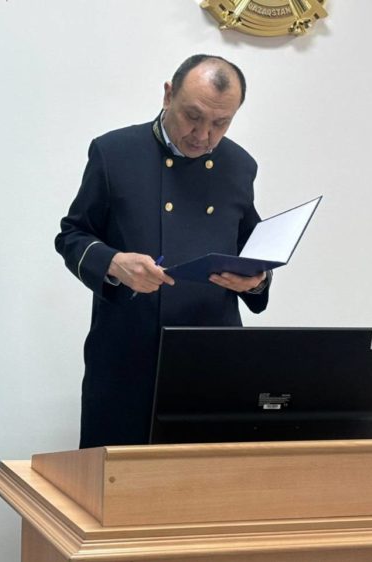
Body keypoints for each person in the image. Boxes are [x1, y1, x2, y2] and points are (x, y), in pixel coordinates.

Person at [55, 54, 271, 448]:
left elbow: (253, 252)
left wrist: (256, 280)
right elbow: (72, 234)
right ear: (169, 95)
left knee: (207, 480)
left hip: (212, 360)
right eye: (193, 116)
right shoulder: (114, 152)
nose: (203, 135)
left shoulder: (240, 165)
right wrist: (113, 262)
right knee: (118, 479)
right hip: (128, 355)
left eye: (220, 123)